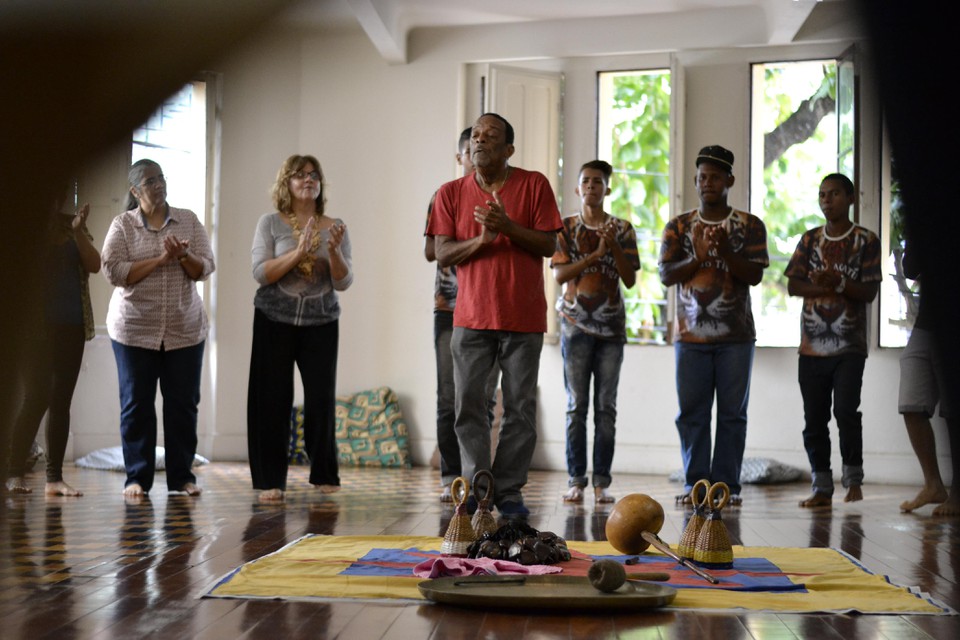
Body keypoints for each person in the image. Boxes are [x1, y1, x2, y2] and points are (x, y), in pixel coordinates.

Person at [427, 113, 562, 516]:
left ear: (509, 150)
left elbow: (548, 244)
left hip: (523, 319)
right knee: (468, 406)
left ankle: (508, 490)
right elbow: (443, 252)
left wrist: (508, 226)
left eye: (492, 136)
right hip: (470, 319)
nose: (481, 140)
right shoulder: (450, 193)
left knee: (520, 408)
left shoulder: (534, 184)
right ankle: (476, 487)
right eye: (477, 135)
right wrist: (484, 240)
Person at [658, 145, 768, 507]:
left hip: (736, 337)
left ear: (729, 181)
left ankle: (727, 488)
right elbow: (666, 275)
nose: (707, 183)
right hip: (689, 337)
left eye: (715, 177)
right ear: (695, 180)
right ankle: (696, 486)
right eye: (702, 177)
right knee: (692, 414)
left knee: (733, 415)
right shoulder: (678, 225)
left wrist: (726, 253)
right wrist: (700, 256)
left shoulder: (750, 225)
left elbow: (754, 275)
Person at [102, 159, 215, 499]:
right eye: (151, 181)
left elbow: (206, 267)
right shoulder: (123, 226)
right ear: (136, 191)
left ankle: (182, 478)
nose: (159, 184)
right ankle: (137, 478)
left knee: (182, 404)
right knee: (136, 404)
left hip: (184, 329)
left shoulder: (189, 220)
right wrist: (160, 261)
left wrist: (182, 257)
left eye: (161, 178)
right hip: (134, 331)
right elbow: (114, 271)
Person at [248, 154, 353, 503]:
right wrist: (299, 251)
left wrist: (334, 252)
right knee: (272, 400)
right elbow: (261, 273)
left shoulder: (335, 225)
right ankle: (269, 481)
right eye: (299, 175)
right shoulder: (271, 223)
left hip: (321, 321)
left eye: (313, 175)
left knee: (320, 400)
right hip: (273, 320)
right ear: (286, 184)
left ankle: (324, 473)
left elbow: (344, 282)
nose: (307, 180)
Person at [785, 173, 881, 507]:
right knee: (814, 419)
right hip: (810, 348)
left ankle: (853, 480)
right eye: (823, 195)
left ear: (851, 198)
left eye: (835, 194)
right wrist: (828, 285)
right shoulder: (809, 240)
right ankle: (821, 486)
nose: (828, 200)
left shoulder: (866, 240)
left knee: (845, 411)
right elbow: (793, 285)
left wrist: (838, 284)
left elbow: (868, 292)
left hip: (849, 346)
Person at [550, 160, 639, 504]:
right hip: (574, 327)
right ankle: (576, 480)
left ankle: (601, 481)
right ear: (577, 188)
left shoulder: (622, 229)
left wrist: (612, 247)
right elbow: (559, 275)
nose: (591, 187)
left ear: (607, 189)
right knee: (576, 406)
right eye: (585, 181)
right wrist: (594, 255)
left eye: (598, 182)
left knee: (606, 407)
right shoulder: (566, 227)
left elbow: (630, 279)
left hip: (611, 329)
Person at [5, 188, 100, 497]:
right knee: (36, 397)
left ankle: (54, 479)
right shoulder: (19, 228)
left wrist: (77, 232)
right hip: (33, 330)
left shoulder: (71, 224)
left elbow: (94, 264)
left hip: (71, 324)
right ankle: (13, 472)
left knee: (61, 400)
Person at [424, 128, 500, 503]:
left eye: (483, 148)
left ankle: (480, 477)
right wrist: (462, 238)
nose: (477, 155)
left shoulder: (500, 198)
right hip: (448, 309)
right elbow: (431, 251)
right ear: (461, 157)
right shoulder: (445, 196)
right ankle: (451, 476)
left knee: (482, 400)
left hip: (486, 312)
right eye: (470, 151)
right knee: (447, 397)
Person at [897, 238, 959, 516]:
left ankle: (957, 493)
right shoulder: (930, 212)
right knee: (911, 401)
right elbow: (910, 268)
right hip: (928, 320)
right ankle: (933, 484)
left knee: (953, 410)